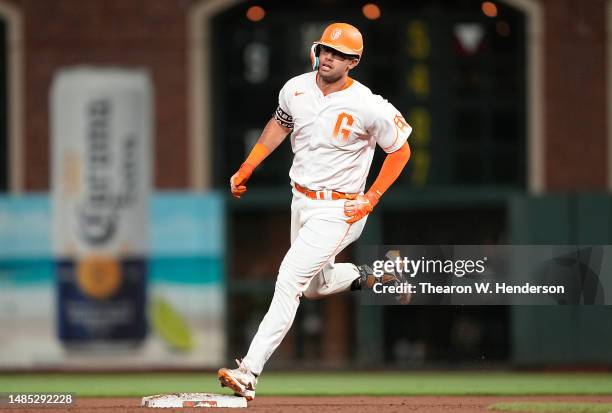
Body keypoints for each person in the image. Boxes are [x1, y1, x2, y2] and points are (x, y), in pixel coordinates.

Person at [218, 22, 412, 401]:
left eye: (339, 54)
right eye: (326, 49)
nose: (329, 57)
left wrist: (371, 198)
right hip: (302, 199)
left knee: (289, 278)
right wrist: (247, 167)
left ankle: (249, 371)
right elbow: (280, 124)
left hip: (342, 207)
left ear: (354, 61)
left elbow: (401, 150)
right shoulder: (295, 88)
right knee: (315, 287)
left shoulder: (369, 104)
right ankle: (379, 273)